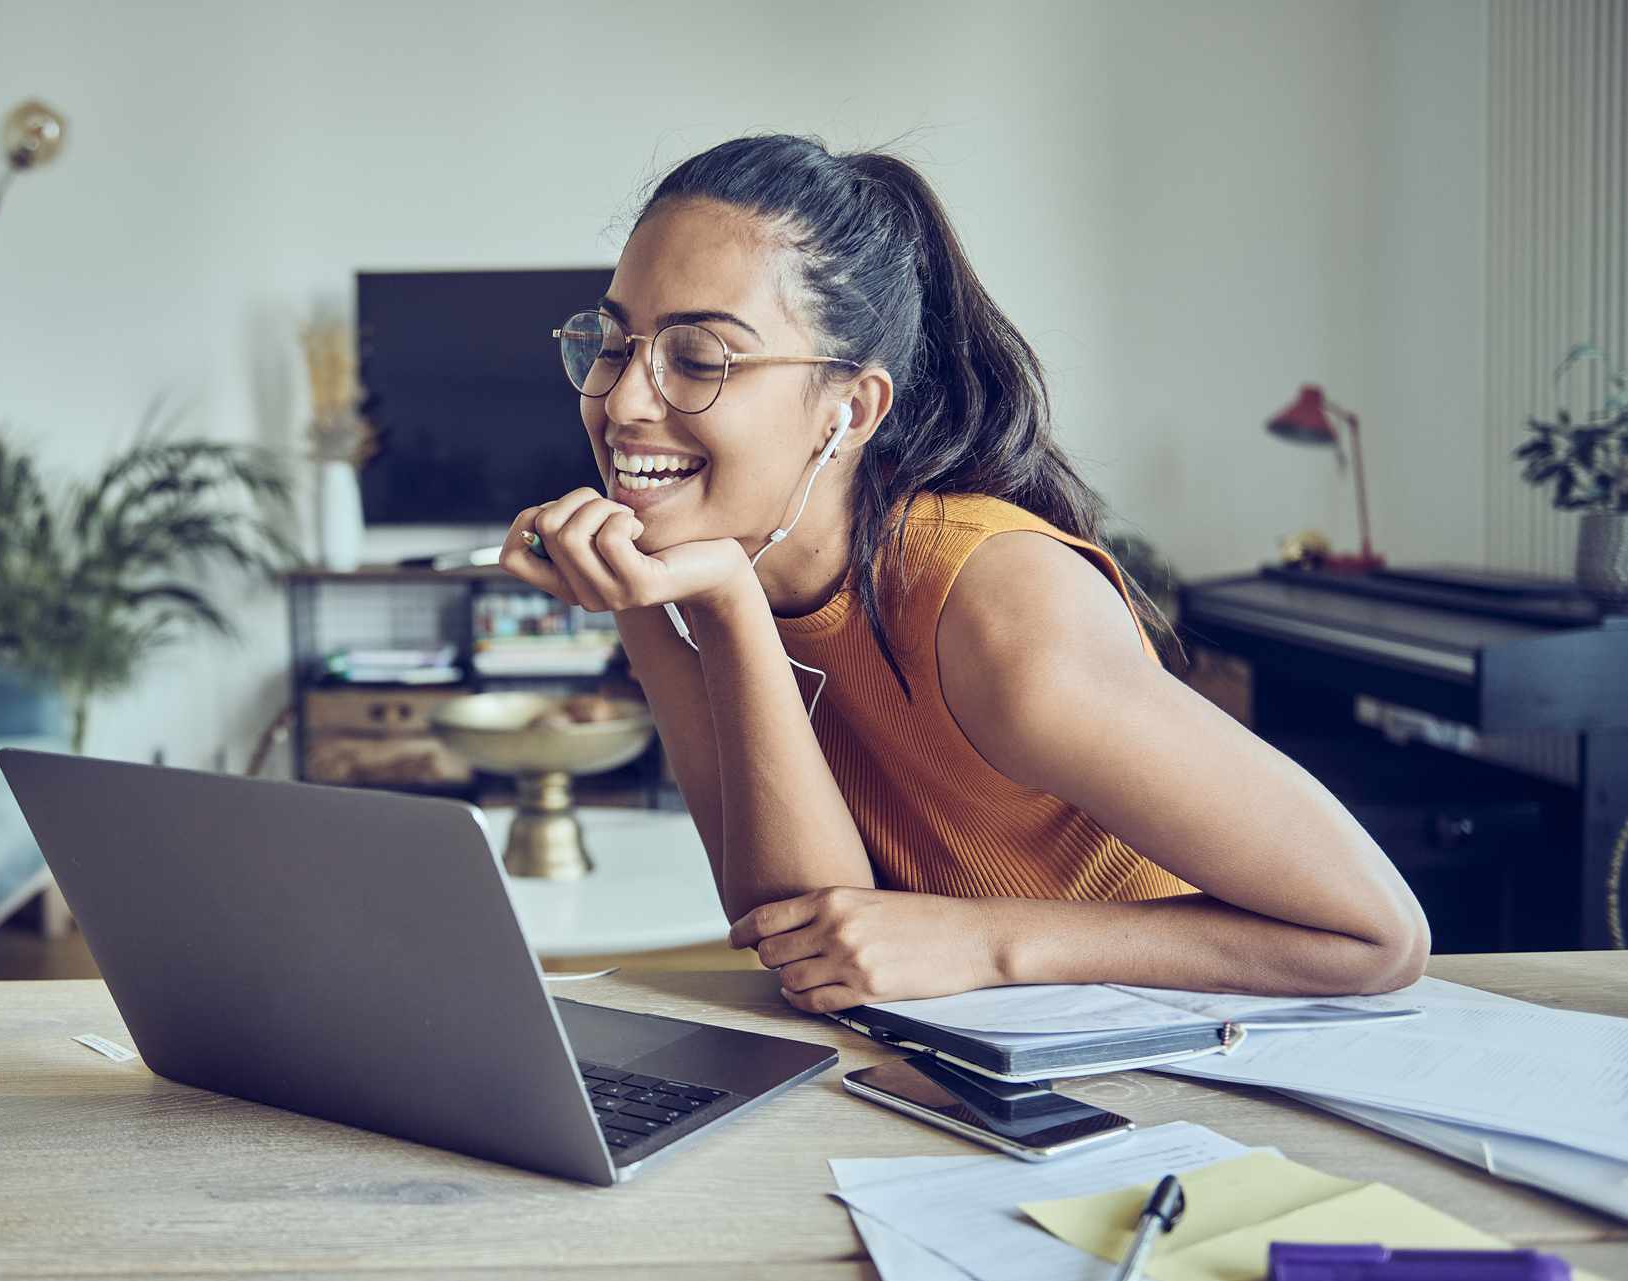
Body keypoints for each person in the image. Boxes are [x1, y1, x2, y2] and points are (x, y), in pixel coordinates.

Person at [500, 134, 1428, 1011]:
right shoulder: (686, 574)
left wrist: (986, 941)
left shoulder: (996, 601)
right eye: (613, 344)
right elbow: (799, 938)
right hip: (949, 1073)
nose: (620, 399)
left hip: (1174, 1057)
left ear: (850, 410)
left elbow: (1377, 939)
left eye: (698, 358)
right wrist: (720, 606)